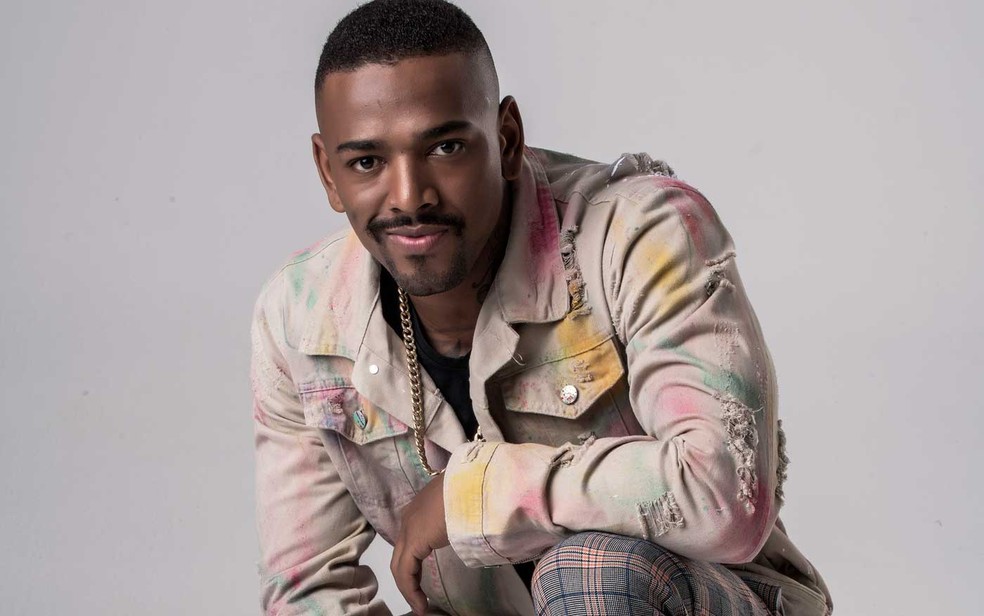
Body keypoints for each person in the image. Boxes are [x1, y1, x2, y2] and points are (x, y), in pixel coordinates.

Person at [250, 1, 833, 614]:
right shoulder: (301, 318)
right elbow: (307, 591)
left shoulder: (638, 236)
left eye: (445, 148)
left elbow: (726, 494)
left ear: (506, 139)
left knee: (590, 573)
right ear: (328, 172)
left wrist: (474, 495)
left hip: (699, 597)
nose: (409, 197)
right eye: (367, 162)